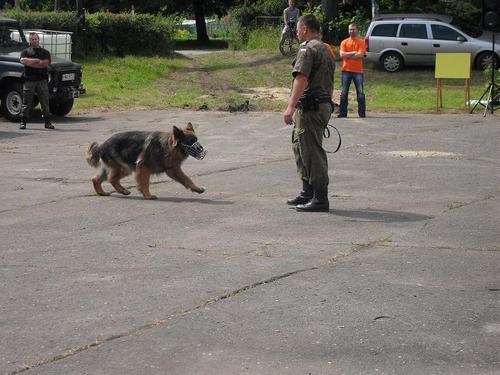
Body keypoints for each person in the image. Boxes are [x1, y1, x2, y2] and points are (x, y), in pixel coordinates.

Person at [283, 14, 335, 212]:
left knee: (311, 151)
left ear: (304, 28)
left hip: (311, 107)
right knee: (301, 147)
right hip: (319, 105)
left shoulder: (307, 48)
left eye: (297, 29)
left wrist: (290, 107)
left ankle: (320, 198)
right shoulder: (326, 49)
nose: (296, 32)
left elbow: (301, 78)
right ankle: (308, 192)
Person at [19, 32, 54, 129]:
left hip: (41, 80)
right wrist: (37, 61)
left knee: (45, 102)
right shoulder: (25, 51)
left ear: (39, 39)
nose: (34, 41)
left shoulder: (45, 52)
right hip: (29, 80)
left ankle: (47, 122)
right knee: (26, 103)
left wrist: (30, 62)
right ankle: (23, 122)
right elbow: (22, 61)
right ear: (29, 41)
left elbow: (44, 64)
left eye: (35, 39)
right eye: (32, 39)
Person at [338, 23, 366, 118]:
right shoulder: (344, 42)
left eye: (353, 29)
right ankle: (343, 113)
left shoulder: (361, 42)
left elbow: (361, 55)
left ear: (357, 30)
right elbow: (342, 55)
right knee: (344, 92)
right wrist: (354, 53)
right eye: (350, 29)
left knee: (360, 92)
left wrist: (348, 55)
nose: (351, 31)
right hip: (346, 70)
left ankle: (362, 113)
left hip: (358, 71)